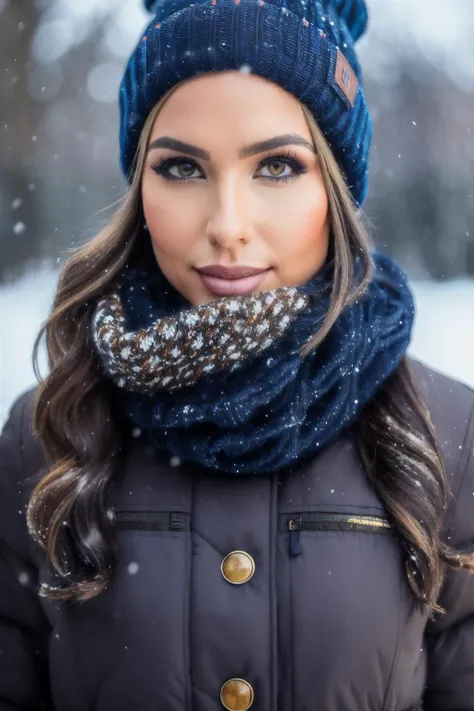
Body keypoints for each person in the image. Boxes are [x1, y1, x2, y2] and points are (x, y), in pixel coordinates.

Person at [1, 0, 474, 709]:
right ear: (140, 187)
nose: (227, 224)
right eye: (183, 168)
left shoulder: (447, 433)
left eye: (278, 166)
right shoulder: (49, 435)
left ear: (335, 189)